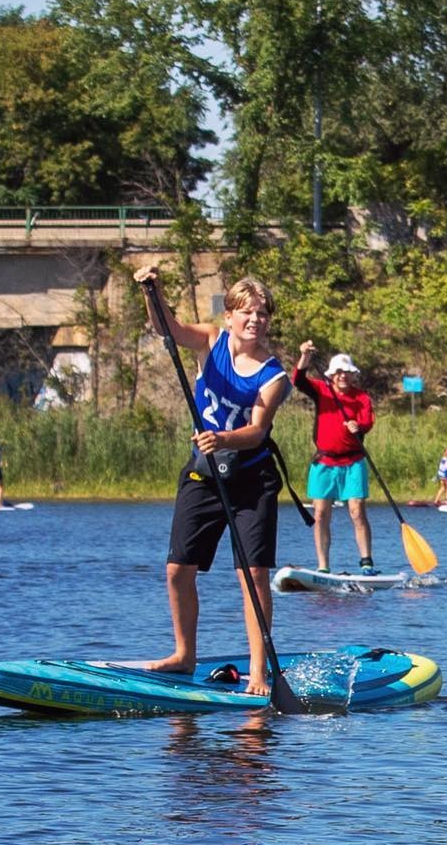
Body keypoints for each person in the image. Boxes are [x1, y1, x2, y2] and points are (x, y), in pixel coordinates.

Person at [134, 266, 289, 697]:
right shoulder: (209, 341)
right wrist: (153, 290)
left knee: (253, 577)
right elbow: (167, 329)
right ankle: (184, 655)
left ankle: (259, 672)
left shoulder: (274, 376)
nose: (255, 320)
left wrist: (221, 437)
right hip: (203, 474)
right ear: (230, 317)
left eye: (262, 313)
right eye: (247, 312)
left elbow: (257, 431)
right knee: (177, 570)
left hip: (250, 480)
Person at [293, 347, 377, 573]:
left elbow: (367, 423)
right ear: (331, 374)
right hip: (324, 463)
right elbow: (298, 380)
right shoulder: (322, 390)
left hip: (353, 462)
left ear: (353, 374)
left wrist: (357, 427)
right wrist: (305, 356)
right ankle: (323, 566)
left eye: (347, 372)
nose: (343, 376)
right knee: (320, 514)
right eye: (338, 372)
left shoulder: (361, 398)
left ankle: (366, 562)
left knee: (357, 510)